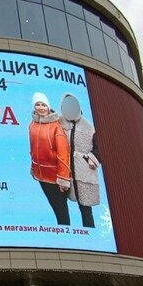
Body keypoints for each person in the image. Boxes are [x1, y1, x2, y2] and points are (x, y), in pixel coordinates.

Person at [28, 92, 72, 226]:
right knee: (54, 206)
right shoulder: (32, 125)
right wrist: (33, 167)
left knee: (61, 208)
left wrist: (63, 178)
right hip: (41, 175)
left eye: (43, 105)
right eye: (37, 104)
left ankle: (66, 231)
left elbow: (63, 153)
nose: (41, 108)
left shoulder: (55, 127)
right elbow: (33, 149)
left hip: (55, 177)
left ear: (48, 106)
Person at [58, 93, 101, 228]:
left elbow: (99, 148)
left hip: (83, 171)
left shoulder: (88, 126)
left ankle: (90, 233)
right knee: (61, 204)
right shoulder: (60, 122)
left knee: (85, 208)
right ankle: (64, 233)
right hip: (64, 170)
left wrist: (91, 159)